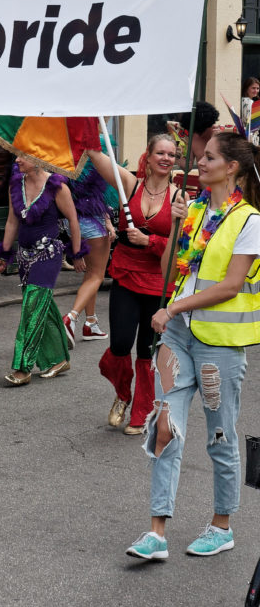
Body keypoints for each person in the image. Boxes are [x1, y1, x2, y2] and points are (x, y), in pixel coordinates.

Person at [126, 131, 260, 562]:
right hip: (178, 338)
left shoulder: (250, 221)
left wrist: (173, 307)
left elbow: (231, 285)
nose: (198, 163)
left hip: (219, 346)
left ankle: (222, 526)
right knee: (165, 426)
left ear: (231, 167)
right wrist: (180, 227)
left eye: (208, 158)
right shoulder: (196, 210)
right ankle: (156, 532)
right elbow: (169, 270)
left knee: (220, 437)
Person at [86, 134, 178, 434]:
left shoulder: (180, 198)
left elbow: (182, 246)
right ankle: (123, 394)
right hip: (126, 274)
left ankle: (142, 409)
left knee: (146, 350)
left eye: (172, 155)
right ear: (148, 156)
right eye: (161, 153)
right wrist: (84, 135)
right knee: (120, 343)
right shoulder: (131, 185)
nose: (166, 158)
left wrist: (150, 240)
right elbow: (98, 159)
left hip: (158, 282)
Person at [0, 156, 86, 387]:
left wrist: (76, 253)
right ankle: (59, 359)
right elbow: (12, 222)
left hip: (48, 255)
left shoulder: (57, 186)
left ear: (38, 158)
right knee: (42, 307)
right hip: (24, 257)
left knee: (31, 310)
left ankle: (22, 368)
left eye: (23, 155)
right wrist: (4, 255)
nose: (16, 159)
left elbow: (73, 220)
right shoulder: (16, 184)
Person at [60, 160, 115, 346]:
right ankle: (71, 317)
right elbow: (102, 195)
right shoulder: (96, 161)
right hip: (93, 222)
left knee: (90, 275)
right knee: (97, 275)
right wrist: (107, 221)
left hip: (71, 223)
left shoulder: (66, 160)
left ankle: (91, 323)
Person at [177, 101, 219, 168]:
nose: (197, 133)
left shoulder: (222, 137)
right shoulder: (193, 137)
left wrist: (215, 140)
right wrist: (177, 154)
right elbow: (187, 167)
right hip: (203, 178)